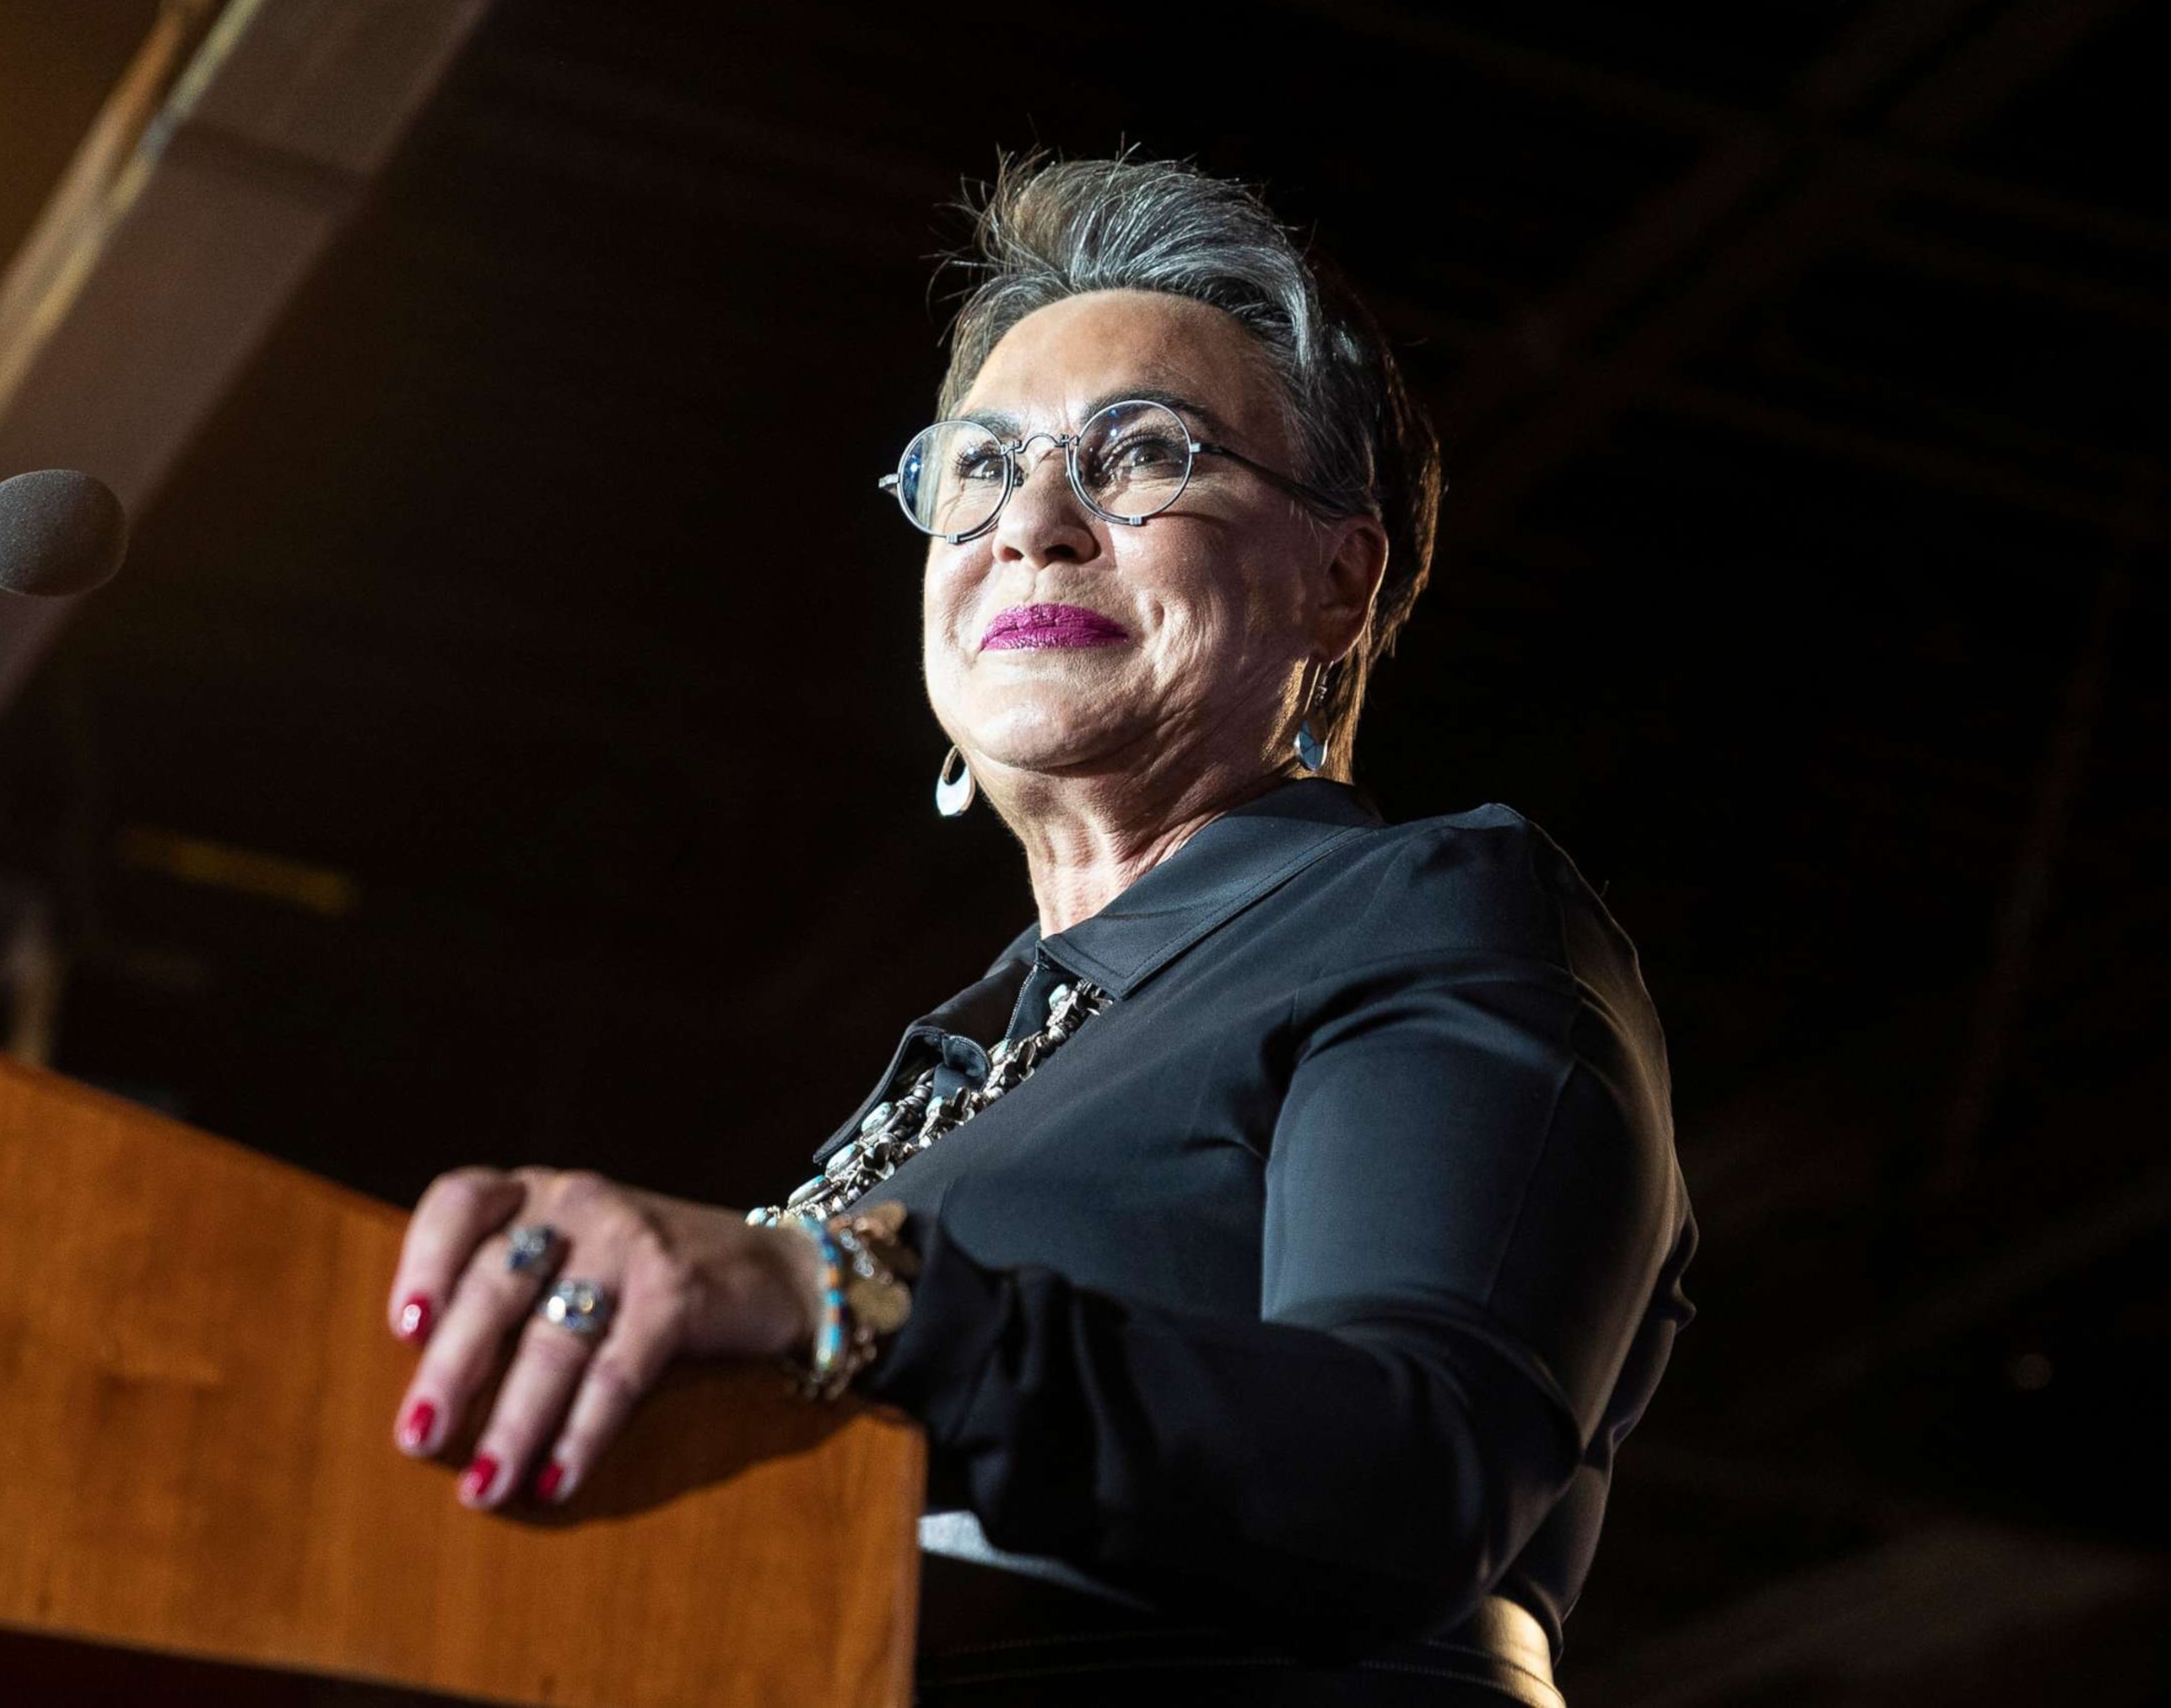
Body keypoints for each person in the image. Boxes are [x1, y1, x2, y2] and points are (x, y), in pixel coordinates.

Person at [383, 155, 1695, 1705]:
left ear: (1341, 585)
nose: (1036, 524)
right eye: (981, 470)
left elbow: (1411, 1466)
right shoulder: (947, 1076)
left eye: (1144, 455)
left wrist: (834, 1300)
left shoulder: (1435, 911)